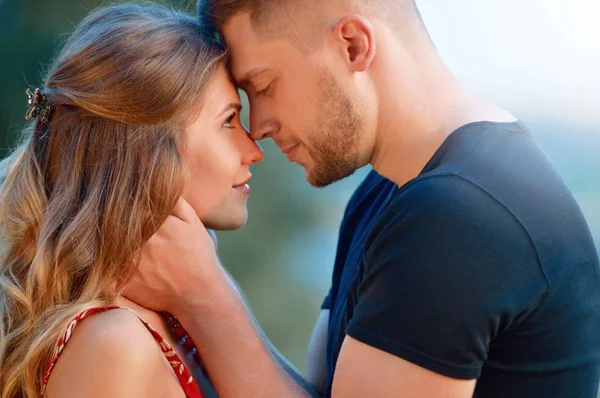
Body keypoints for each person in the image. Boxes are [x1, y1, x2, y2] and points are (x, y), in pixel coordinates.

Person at [125, 0, 600, 397]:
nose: (259, 126)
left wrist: (205, 295)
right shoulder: (388, 190)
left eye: (265, 86)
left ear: (353, 45)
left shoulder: (461, 216)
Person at [0, 3, 264, 398]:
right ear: (148, 154)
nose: (254, 149)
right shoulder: (115, 347)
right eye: (228, 121)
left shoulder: (171, 320)